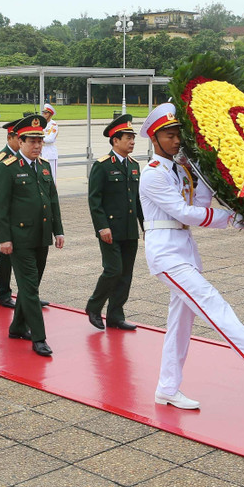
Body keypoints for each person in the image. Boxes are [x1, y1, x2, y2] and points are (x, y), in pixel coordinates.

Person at [138, 103, 244, 411]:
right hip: (166, 254)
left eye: (177, 135)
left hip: (183, 251)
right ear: (154, 138)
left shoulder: (181, 169)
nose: (176, 141)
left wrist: (203, 172)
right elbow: (185, 212)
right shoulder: (152, 175)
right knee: (212, 303)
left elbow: (200, 201)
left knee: (179, 326)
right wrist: (233, 219)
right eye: (170, 135)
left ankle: (167, 388)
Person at [0, 114, 64, 357]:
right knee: (31, 288)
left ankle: (17, 327)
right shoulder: (7, 168)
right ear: (19, 142)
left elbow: (52, 200)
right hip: (19, 238)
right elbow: (0, 207)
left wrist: (58, 230)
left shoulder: (43, 166)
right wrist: (4, 239)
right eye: (31, 141)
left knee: (29, 286)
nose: (36, 146)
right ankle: (39, 338)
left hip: (41, 236)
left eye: (39, 141)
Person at [86, 114, 143, 331]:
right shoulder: (102, 166)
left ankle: (115, 315)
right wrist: (102, 226)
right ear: (115, 140)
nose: (132, 141)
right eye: (127, 137)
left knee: (126, 274)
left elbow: (138, 200)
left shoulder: (134, 165)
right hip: (110, 229)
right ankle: (93, 306)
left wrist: (146, 226)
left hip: (129, 230)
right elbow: (95, 200)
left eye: (132, 137)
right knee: (113, 269)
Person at [0, 120, 21, 307]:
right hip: (8, 217)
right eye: (19, 138)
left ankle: (27, 293)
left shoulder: (25, 158)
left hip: (24, 218)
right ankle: (2, 292)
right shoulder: (1, 160)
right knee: (6, 258)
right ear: (9, 138)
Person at [41, 103, 58, 179]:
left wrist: (39, 139)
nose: (44, 115)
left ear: (50, 115)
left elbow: (50, 139)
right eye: (43, 113)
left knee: (52, 176)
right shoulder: (41, 124)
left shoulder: (53, 125)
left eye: (46, 113)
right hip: (41, 152)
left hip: (50, 152)